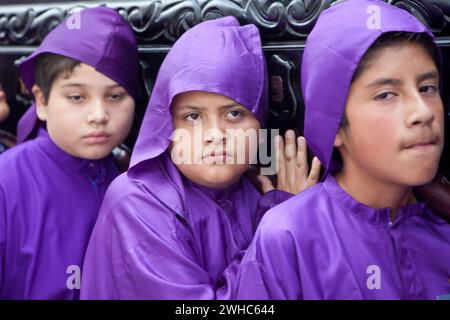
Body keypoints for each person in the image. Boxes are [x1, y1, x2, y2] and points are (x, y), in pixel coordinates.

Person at [80, 16, 320, 299]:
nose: (215, 134)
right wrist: (281, 224)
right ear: (167, 128)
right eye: (192, 117)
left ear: (259, 124)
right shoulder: (137, 202)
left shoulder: (256, 188)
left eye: (234, 114)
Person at [235, 0, 450, 300]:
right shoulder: (288, 238)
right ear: (334, 125)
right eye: (386, 94)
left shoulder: (442, 235)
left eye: (428, 87)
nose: (423, 112)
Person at [0, 7, 140, 299]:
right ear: (41, 100)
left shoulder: (134, 180)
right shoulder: (7, 181)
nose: (99, 115)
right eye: (77, 97)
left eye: (115, 96)